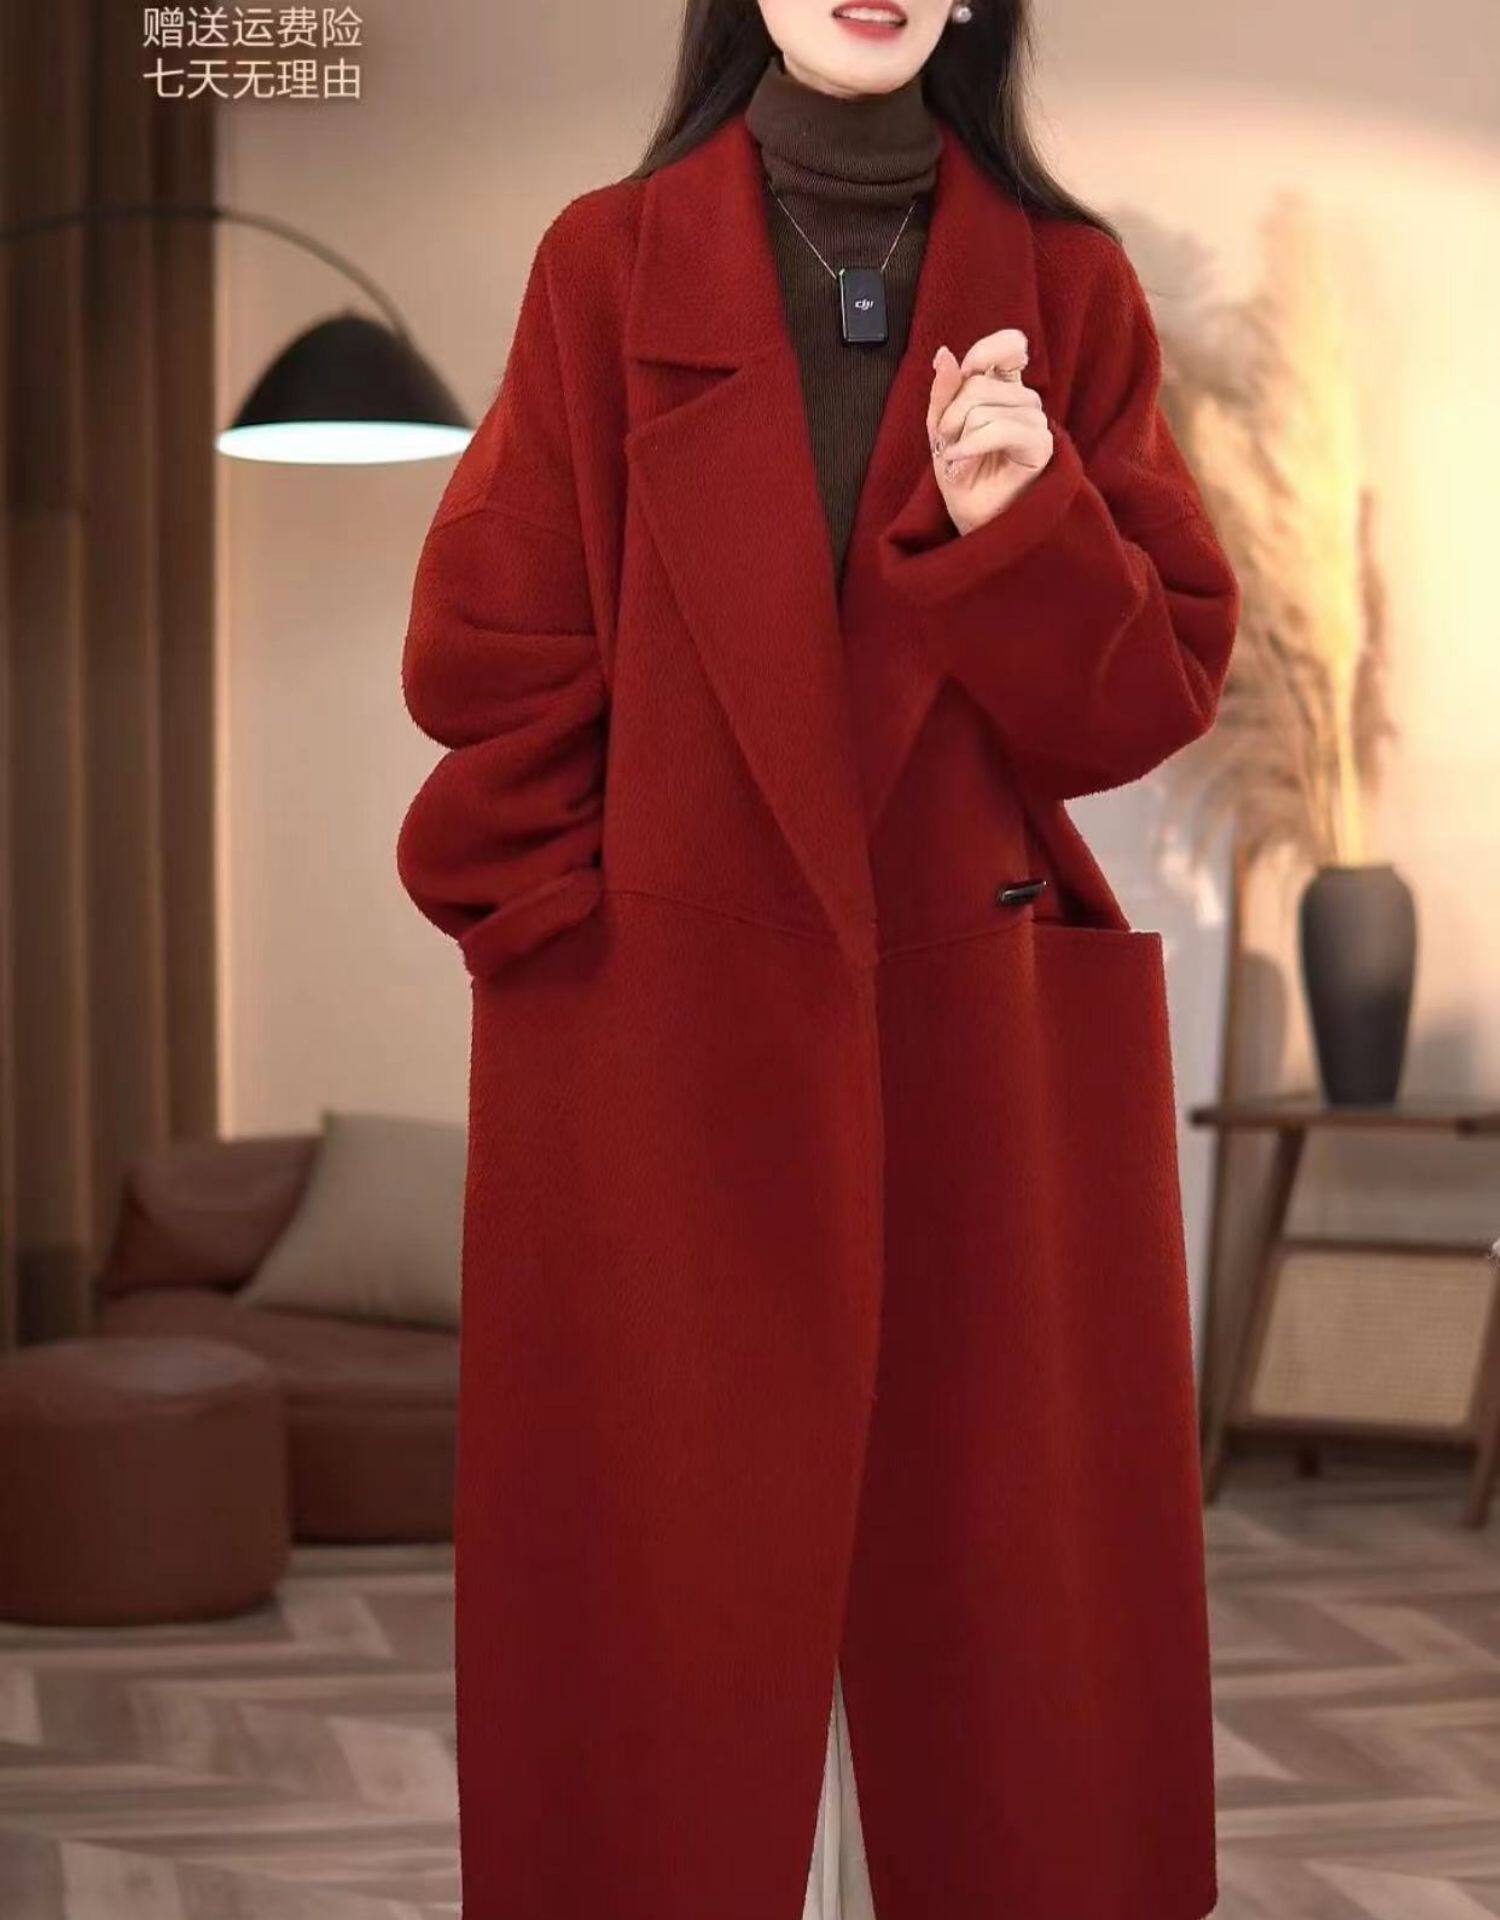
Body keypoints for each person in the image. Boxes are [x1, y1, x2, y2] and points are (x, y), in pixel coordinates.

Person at [396, 2, 1241, 1916]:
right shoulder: (608, 267)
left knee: (1019, 1676)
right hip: (669, 1055)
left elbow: (1143, 698)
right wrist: (586, 943)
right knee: (654, 1668)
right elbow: (494, 651)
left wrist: (1030, 524)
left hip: (977, 1038)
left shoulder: (1072, 289)